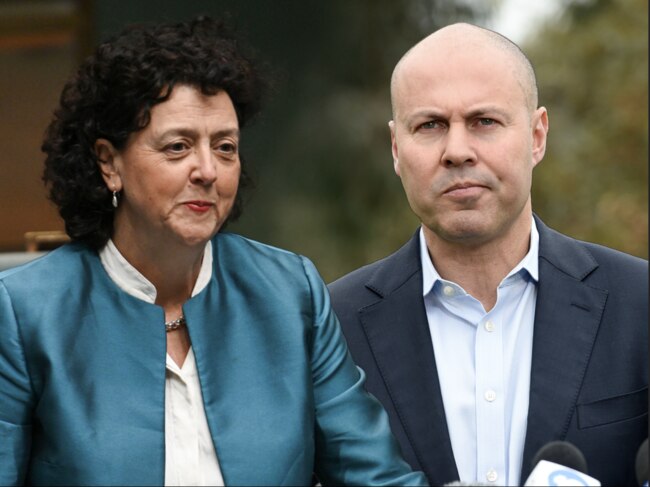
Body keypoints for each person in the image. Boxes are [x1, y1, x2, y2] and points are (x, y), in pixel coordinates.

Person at [0, 17, 428, 486]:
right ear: (109, 163)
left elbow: (373, 476)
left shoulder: (290, 294)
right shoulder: (24, 313)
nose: (207, 170)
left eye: (225, 147)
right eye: (178, 146)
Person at [329, 22, 647, 487]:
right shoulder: (330, 327)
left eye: (484, 122)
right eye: (430, 125)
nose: (457, 151)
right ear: (397, 148)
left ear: (537, 136)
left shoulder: (638, 303)